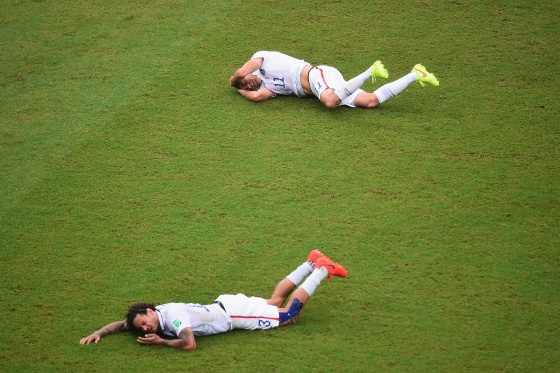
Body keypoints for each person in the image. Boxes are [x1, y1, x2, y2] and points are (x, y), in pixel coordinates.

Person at [79, 250, 347, 351]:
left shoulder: (172, 317)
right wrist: (98, 332)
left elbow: (190, 344)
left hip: (233, 316)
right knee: (274, 301)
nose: (146, 328)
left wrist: (162, 342)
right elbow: (123, 324)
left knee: (288, 314)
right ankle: (309, 262)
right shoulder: (156, 315)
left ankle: (321, 268)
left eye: (145, 323)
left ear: (151, 311)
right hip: (228, 305)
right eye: (143, 328)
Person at [229, 50, 439, 109]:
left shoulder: (261, 59)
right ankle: (416, 74)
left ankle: (371, 71)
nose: (246, 83)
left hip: (318, 75)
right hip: (324, 85)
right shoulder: (267, 87)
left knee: (330, 102)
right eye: (245, 85)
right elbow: (257, 97)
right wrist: (240, 90)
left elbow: (242, 71)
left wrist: (234, 80)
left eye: (245, 80)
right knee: (371, 101)